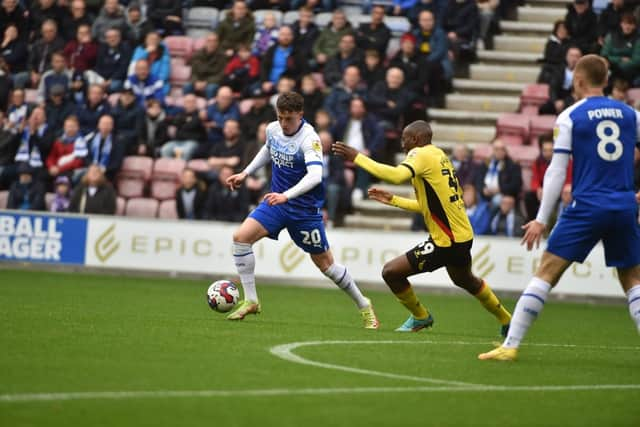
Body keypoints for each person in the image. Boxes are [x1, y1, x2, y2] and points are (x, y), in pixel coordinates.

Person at [479, 54, 640, 361]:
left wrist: (541, 219)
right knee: (633, 279)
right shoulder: (631, 114)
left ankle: (510, 345)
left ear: (578, 80)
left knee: (547, 270)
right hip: (622, 206)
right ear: (606, 81)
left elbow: (555, 170)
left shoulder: (570, 116)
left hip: (587, 206)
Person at [333, 120, 512, 334]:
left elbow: (396, 176)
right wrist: (394, 200)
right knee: (466, 280)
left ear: (416, 140)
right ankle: (506, 319)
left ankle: (421, 317)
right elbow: (430, 207)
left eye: (405, 139)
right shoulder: (439, 156)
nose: (402, 144)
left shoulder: (420, 155)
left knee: (391, 272)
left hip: (446, 241)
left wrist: (357, 157)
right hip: (462, 237)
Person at [223, 91, 379, 328]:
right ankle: (251, 300)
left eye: (289, 119)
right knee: (241, 238)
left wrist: (286, 196)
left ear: (300, 115)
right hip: (276, 203)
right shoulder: (273, 129)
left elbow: (315, 176)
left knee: (327, 266)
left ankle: (363, 304)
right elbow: (268, 148)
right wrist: (246, 173)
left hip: (303, 210)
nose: (284, 124)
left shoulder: (310, 139)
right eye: (281, 117)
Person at [160, 94, 206, 160]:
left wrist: (185, 123)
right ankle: (171, 168)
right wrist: (187, 122)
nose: (190, 104)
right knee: (165, 149)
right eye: (187, 102)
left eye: (192, 102)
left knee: (185, 151)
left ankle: (181, 169)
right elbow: (174, 122)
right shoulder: (180, 114)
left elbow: (192, 126)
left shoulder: (200, 115)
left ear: (196, 103)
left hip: (192, 142)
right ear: (184, 104)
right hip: (178, 141)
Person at [186, 32, 227, 100]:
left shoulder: (222, 56)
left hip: (212, 82)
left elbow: (221, 75)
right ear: (205, 42)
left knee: (211, 88)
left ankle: (209, 108)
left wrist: (206, 82)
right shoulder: (198, 54)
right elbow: (193, 72)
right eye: (209, 41)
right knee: (187, 86)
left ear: (218, 43)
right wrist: (196, 82)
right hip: (198, 81)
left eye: (214, 41)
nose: (212, 43)